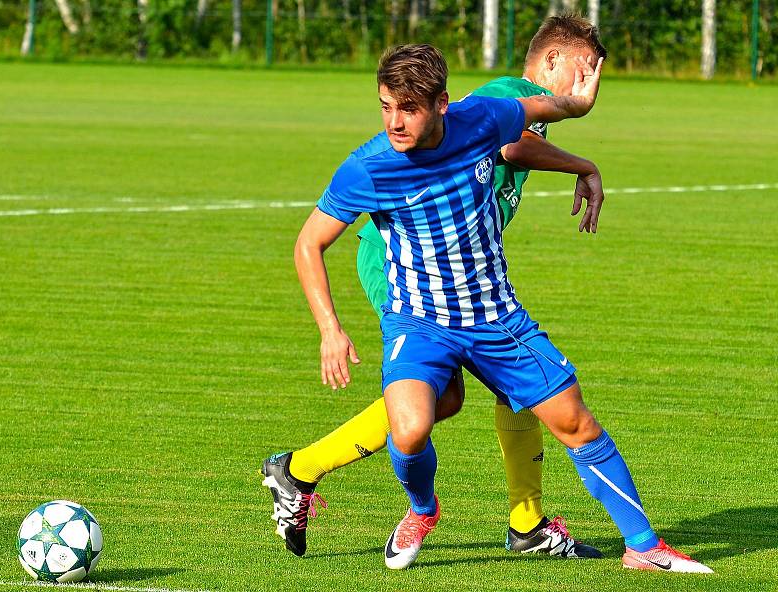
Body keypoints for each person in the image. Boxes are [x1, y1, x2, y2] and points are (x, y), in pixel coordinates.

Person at [295, 43, 711, 574]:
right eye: (385, 106)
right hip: (419, 321)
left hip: (495, 317)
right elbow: (309, 244)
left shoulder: (484, 117)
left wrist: (578, 108)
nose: (395, 122)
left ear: (442, 104)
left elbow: (544, 111)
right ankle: (423, 510)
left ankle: (644, 548)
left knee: (576, 422)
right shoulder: (368, 168)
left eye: (409, 108)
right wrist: (330, 329)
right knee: (411, 427)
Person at [262, 15, 609, 562]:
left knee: (484, 393)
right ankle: (302, 470)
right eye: (585, 68)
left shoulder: (510, 107)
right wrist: (581, 166)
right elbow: (514, 148)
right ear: (551, 62)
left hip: (462, 280)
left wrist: (577, 162)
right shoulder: (509, 95)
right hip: (401, 267)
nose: (589, 82)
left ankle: (526, 522)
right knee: (443, 396)